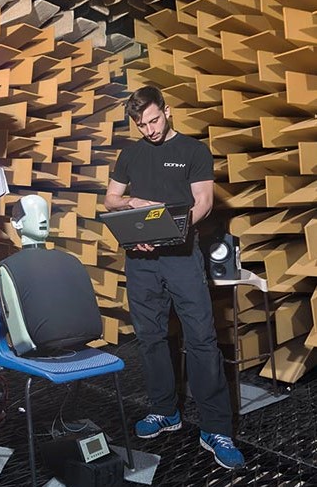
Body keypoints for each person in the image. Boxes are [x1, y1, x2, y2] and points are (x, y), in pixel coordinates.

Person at [104, 86, 245, 470]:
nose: (149, 129)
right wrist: (133, 203)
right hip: (141, 260)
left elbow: (204, 202)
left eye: (153, 120)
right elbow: (111, 199)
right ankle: (165, 410)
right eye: (140, 123)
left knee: (201, 338)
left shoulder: (193, 151)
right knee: (149, 339)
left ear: (166, 112)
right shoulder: (130, 154)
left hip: (182, 257)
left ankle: (216, 428)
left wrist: (169, 232)